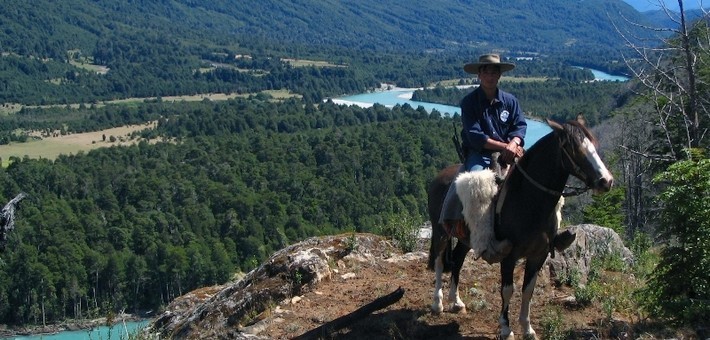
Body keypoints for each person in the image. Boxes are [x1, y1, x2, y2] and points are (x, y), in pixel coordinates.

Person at [439, 53, 526, 263]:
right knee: (478, 183)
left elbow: (520, 126)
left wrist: (514, 144)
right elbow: (476, 136)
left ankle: (546, 234)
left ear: (499, 75)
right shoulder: (469, 103)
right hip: (480, 153)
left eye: (494, 71)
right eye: (486, 71)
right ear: (479, 74)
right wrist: (507, 145)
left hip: (509, 152)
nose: (490, 75)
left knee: (535, 178)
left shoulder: (510, 101)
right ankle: (482, 241)